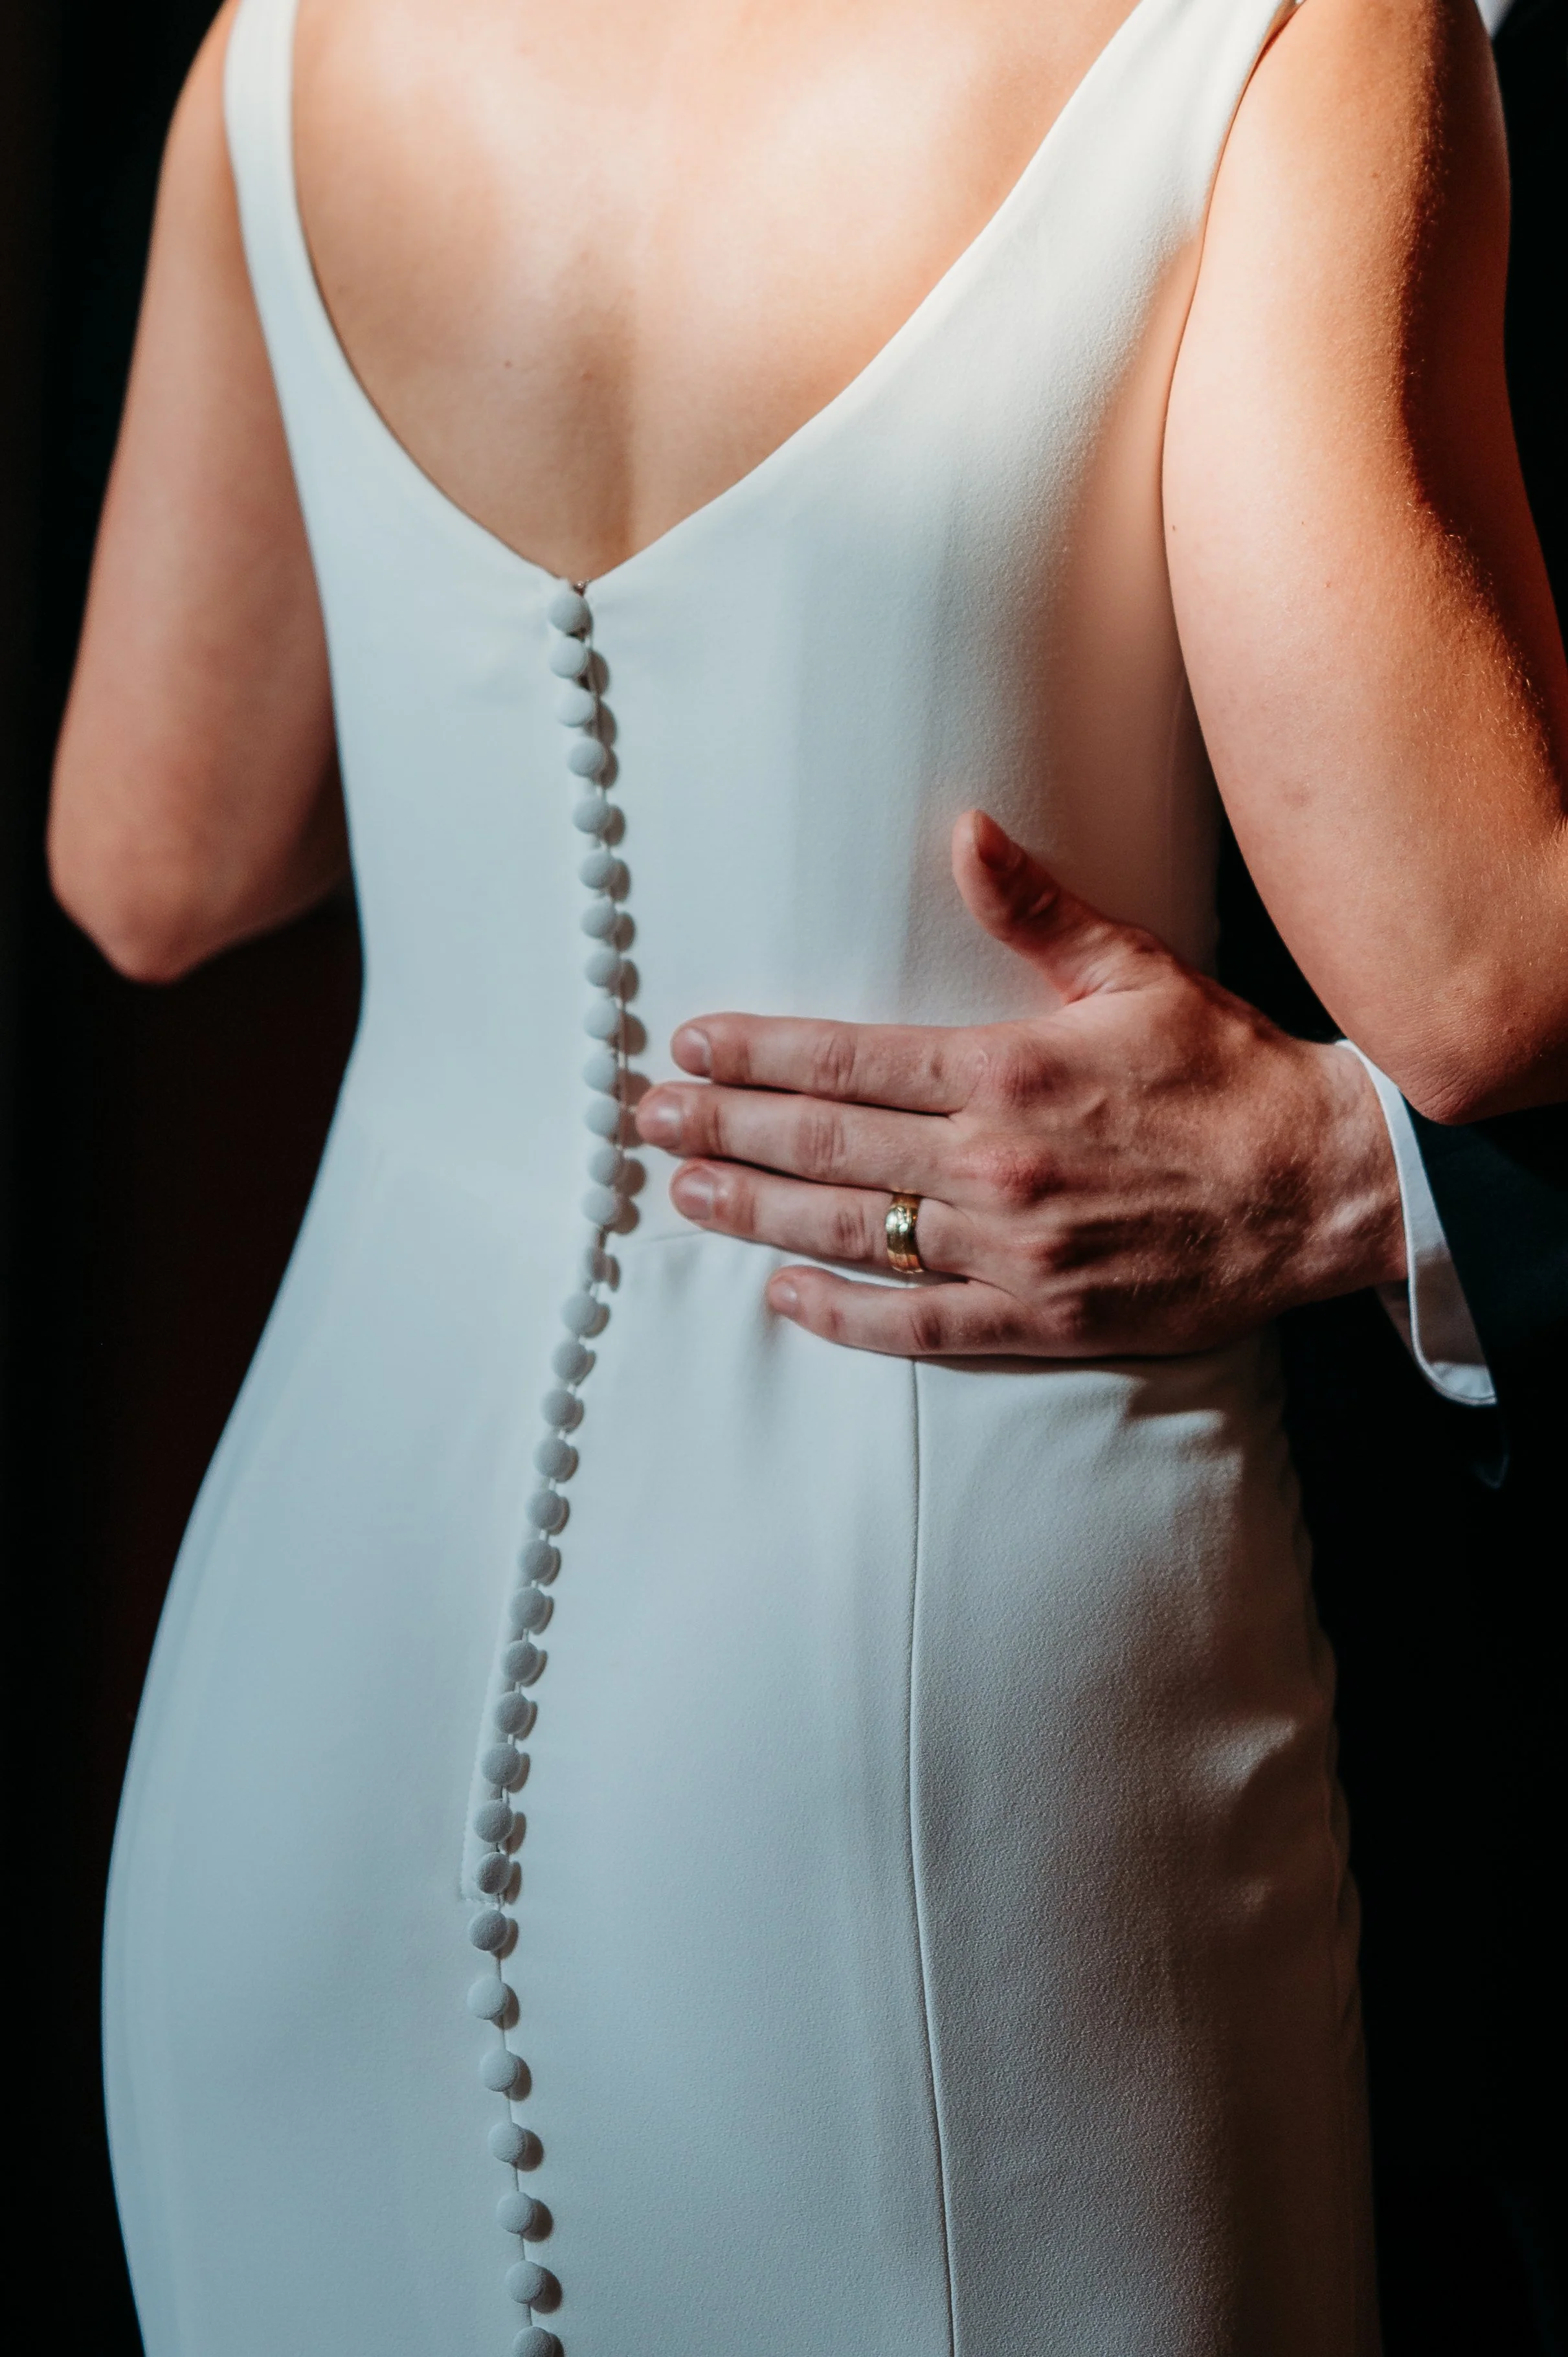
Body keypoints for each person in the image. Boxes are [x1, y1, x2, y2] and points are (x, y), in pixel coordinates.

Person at [48, 3, 1568, 2355]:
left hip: (314, 1662)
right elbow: (1467, 971)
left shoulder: (290, 42)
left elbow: (157, 857)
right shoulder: (1289, 31)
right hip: (946, 1702)